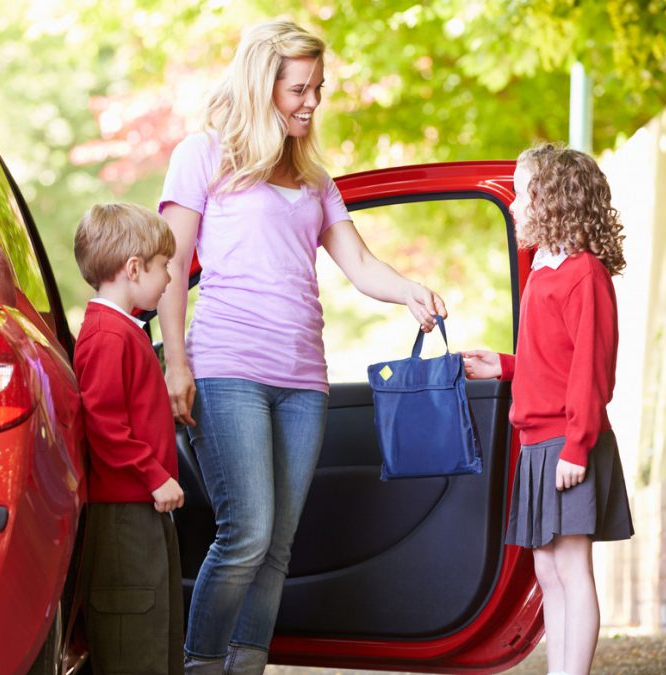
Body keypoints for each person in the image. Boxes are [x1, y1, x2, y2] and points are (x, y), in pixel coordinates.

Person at [156, 19, 448, 675]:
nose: (311, 101)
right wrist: (176, 361)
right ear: (263, 85)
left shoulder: (314, 177)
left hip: (303, 382)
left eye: (317, 87)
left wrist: (410, 291)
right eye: (298, 89)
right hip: (227, 368)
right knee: (248, 531)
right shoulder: (203, 153)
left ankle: (247, 666)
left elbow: (360, 262)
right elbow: (170, 265)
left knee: (278, 543)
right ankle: (201, 664)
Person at [462, 144, 634, 675]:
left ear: (551, 198)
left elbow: (591, 371)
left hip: (569, 442)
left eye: (520, 191)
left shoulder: (586, 274)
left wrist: (578, 446)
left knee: (571, 564)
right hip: (540, 441)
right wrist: (507, 366)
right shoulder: (543, 270)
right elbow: (551, 358)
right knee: (547, 567)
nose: (513, 203)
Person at [73, 203, 185, 675]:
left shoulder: (126, 331)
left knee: (157, 628)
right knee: (131, 638)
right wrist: (154, 475)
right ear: (134, 268)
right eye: (164, 268)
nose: (170, 279)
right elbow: (103, 423)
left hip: (144, 507)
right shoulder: (106, 336)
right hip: (124, 512)